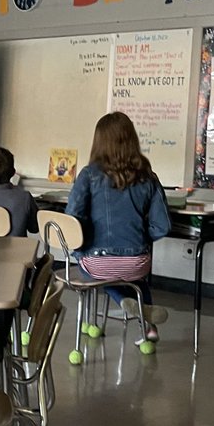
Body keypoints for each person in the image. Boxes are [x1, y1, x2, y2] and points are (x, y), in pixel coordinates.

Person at [65, 112, 171, 343]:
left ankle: (123, 301)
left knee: (98, 272)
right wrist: (142, 237)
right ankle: (149, 327)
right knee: (138, 281)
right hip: (138, 263)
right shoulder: (148, 177)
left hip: (97, 262)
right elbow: (162, 226)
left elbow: (72, 218)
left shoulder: (88, 175)